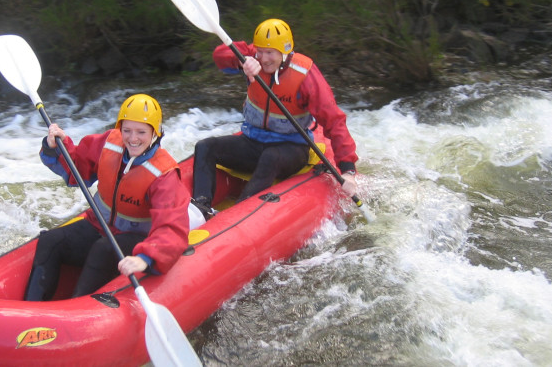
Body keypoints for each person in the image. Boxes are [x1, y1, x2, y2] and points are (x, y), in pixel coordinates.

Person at [25, 94, 193, 301]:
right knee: (50, 241)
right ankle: (33, 305)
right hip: (99, 225)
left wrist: (146, 258)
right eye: (127, 130)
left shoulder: (164, 174)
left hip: (138, 240)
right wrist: (56, 147)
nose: (133, 138)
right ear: (120, 128)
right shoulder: (109, 144)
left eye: (141, 132)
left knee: (103, 250)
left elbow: (172, 227)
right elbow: (77, 168)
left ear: (155, 133)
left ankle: (76, 310)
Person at [191, 18, 359, 216]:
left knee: (270, 157)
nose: (263, 58)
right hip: (252, 142)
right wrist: (242, 60)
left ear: (285, 51)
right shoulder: (252, 57)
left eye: (270, 53)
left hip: (292, 149)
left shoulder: (306, 75)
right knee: (205, 146)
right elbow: (220, 55)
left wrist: (348, 171)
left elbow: (334, 120)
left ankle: (239, 212)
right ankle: (200, 207)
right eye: (260, 52)